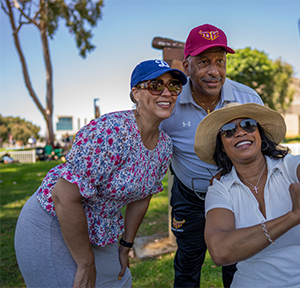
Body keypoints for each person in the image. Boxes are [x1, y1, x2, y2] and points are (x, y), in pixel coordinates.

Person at [194, 48, 300, 287]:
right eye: (228, 131)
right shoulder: (221, 188)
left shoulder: (289, 165)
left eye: (248, 124)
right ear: (222, 145)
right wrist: (293, 216)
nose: (241, 132)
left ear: (259, 133)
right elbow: (221, 251)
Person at [14, 60, 187, 287]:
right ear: (136, 93)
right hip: (53, 221)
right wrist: (86, 263)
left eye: (173, 86)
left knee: (120, 281)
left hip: (97, 229)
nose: (167, 92)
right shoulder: (110, 130)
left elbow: (143, 198)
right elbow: (63, 196)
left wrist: (126, 245)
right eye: (156, 85)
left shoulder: (164, 146)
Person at [160, 23, 264, 287]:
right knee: (187, 265)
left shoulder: (247, 99)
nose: (214, 71)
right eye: (204, 62)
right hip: (189, 196)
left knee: (236, 265)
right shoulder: (168, 105)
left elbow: (265, 150)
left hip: (235, 195)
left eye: (220, 61)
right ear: (187, 66)